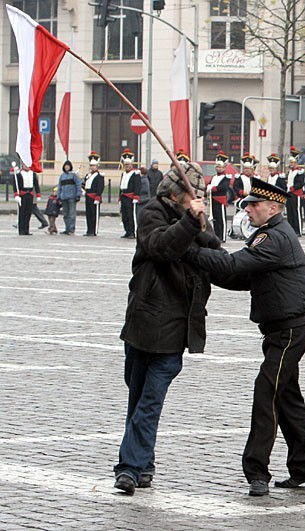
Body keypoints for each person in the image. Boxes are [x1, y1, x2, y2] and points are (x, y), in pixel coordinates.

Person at [183, 177, 305, 497]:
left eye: (253, 205)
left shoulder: (273, 238)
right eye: (247, 205)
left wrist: (190, 252)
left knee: (266, 393)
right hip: (280, 329)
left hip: (288, 331)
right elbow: (238, 276)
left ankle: (256, 471)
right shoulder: (268, 236)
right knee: (286, 397)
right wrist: (205, 253)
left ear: (272, 207)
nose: (248, 210)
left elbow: (233, 265)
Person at [113, 169, 218, 495]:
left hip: (175, 329)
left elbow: (216, 251)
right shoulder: (152, 213)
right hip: (144, 323)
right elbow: (160, 246)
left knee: (150, 401)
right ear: (175, 195)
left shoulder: (196, 220)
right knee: (138, 398)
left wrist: (200, 224)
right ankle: (144, 464)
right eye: (192, 195)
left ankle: (129, 467)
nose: (199, 201)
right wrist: (190, 221)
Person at [207, 151, 232, 242]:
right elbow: (209, 185)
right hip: (213, 200)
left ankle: (222, 237)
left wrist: (213, 188)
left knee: (221, 219)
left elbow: (223, 187)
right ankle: (217, 235)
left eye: (220, 167)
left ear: (224, 167)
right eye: (217, 166)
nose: (218, 168)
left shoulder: (226, 177)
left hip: (220, 200)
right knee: (215, 219)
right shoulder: (214, 177)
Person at [13, 162, 42, 235]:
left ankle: (26, 229)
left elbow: (36, 185)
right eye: (25, 165)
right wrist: (16, 195)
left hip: (30, 194)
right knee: (22, 213)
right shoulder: (19, 174)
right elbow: (15, 185)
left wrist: (38, 194)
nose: (27, 166)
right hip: (22, 194)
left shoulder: (33, 174)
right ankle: (21, 230)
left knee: (28, 213)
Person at [119, 149, 141, 239]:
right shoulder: (123, 174)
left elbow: (137, 185)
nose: (127, 166)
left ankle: (132, 232)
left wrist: (136, 196)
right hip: (124, 196)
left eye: (129, 165)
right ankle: (127, 231)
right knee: (124, 215)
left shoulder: (135, 173)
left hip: (131, 197)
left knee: (130, 215)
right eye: (126, 165)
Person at [83, 152, 105, 237]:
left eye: (94, 166)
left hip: (94, 197)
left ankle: (94, 230)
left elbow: (100, 187)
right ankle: (89, 229)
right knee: (88, 214)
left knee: (94, 214)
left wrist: (97, 197)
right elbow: (84, 184)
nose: (92, 167)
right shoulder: (88, 175)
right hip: (88, 196)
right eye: (91, 166)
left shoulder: (99, 176)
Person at [57, 160, 82, 235]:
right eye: (65, 166)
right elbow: (60, 187)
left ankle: (71, 229)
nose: (66, 167)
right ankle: (67, 228)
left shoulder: (74, 175)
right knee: (65, 214)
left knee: (72, 214)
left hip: (72, 197)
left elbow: (78, 185)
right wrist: (59, 197)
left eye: (68, 166)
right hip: (64, 198)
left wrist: (78, 195)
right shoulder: (62, 176)